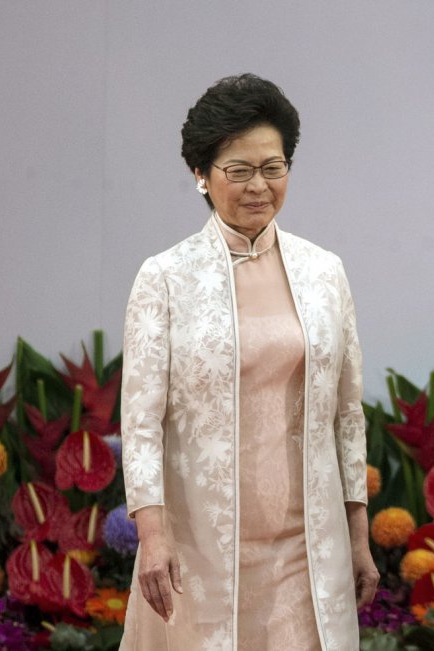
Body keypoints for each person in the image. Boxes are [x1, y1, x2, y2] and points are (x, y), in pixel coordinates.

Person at [119, 73, 378, 651]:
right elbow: (140, 423)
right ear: (201, 175)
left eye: (273, 167)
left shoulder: (324, 272)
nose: (259, 185)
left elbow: (347, 416)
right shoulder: (165, 278)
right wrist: (152, 535)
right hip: (200, 549)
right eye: (238, 170)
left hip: (308, 547)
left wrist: (358, 537)